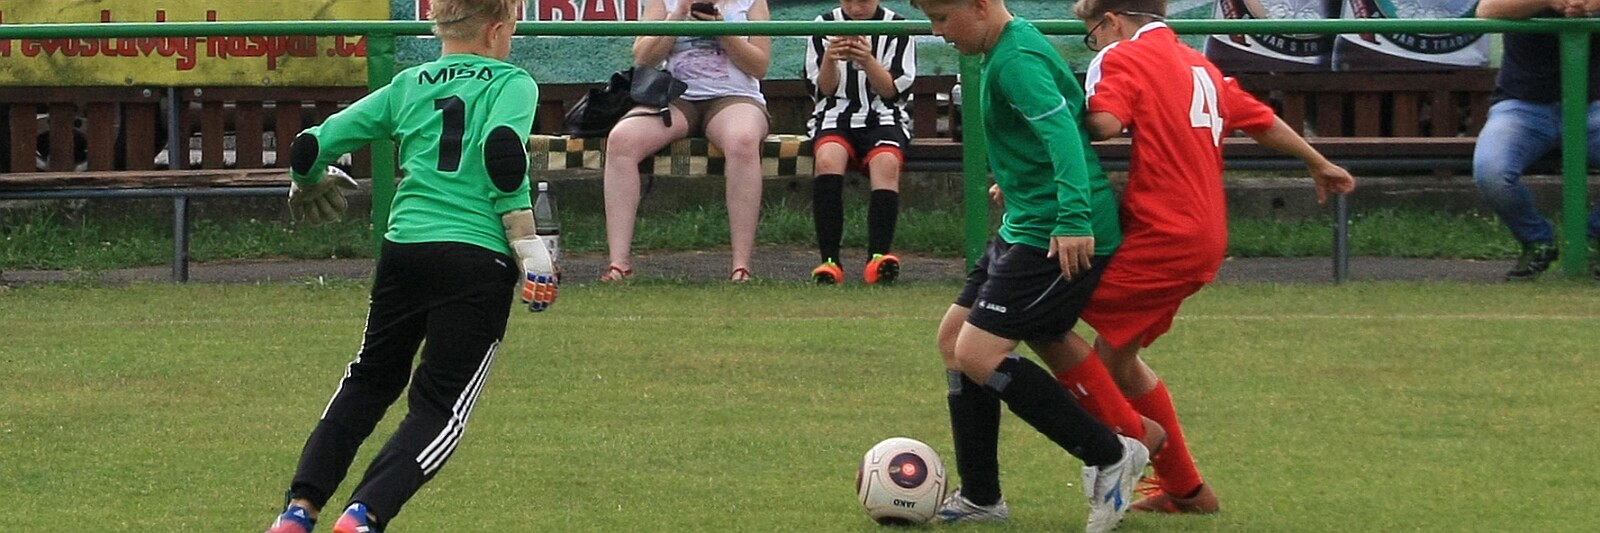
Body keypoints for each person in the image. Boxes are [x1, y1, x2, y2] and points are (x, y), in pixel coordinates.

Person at [1040, 0, 1356, 515]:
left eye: (1092, 33)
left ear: (1113, 20)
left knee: (1041, 317)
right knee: (1117, 356)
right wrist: (1317, 162)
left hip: (1163, 234)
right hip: (1204, 234)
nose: (1095, 44)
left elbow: (1104, 125)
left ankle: (1133, 440)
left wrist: (1041, 124)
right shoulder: (1198, 64)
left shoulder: (1123, 57)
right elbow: (1261, 119)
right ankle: (1187, 490)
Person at [262, 1, 559, 532]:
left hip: (406, 249)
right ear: (496, 31)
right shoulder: (512, 83)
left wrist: (306, 182)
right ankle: (363, 515)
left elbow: (310, 144)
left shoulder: (408, 84)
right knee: (441, 407)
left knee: (369, 380)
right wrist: (527, 241)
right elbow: (502, 150)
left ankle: (298, 511)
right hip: (475, 256)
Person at [910, 0, 1150, 531]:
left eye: (942, 18)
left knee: (977, 352)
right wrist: (1016, 181)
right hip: (1027, 223)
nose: (938, 31)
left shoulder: (1016, 59)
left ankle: (1110, 454)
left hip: (1057, 232)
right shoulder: (1003, 48)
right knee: (953, 341)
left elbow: (1063, 132)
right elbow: (1039, 137)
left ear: (979, 6)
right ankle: (982, 498)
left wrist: (1073, 215)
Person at [601, 0, 772, 283]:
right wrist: (679, 14)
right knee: (622, 139)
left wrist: (722, 30)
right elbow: (643, 57)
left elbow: (760, 65)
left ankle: (741, 266)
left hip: (735, 97)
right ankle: (619, 264)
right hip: (677, 97)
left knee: (742, 140)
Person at [1474, 0, 1600, 281]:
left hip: (1594, 104)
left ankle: (1593, 240)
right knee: (1492, 171)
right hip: (1522, 105)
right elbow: (1486, 10)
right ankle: (1537, 242)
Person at [803, 0, 917, 285]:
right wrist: (831, 59)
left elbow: (891, 92)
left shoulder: (898, 28)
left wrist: (867, 60)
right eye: (849, 1)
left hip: (883, 115)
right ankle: (830, 261)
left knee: (886, 163)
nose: (855, 8)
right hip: (835, 114)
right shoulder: (823, 25)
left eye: (862, 1)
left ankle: (878, 257)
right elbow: (824, 90)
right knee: (827, 159)